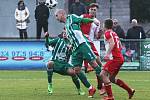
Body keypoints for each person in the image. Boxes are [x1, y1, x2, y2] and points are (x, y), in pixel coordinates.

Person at [55, 9, 102, 98]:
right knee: (76, 70)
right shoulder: (66, 27)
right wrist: (67, 42)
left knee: (94, 64)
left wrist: (93, 21)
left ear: (61, 14)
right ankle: (91, 88)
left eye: (56, 16)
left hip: (82, 44)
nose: (56, 18)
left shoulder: (71, 17)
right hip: (75, 49)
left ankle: (104, 85)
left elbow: (82, 20)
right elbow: (67, 40)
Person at [45, 32, 95, 96]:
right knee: (50, 63)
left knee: (73, 73)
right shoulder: (58, 40)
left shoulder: (72, 43)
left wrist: (71, 50)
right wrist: (46, 37)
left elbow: (74, 54)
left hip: (65, 64)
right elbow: (47, 45)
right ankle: (50, 85)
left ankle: (79, 89)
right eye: (64, 33)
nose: (65, 34)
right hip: (56, 62)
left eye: (66, 33)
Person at [100, 19, 135, 100]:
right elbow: (118, 44)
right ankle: (130, 90)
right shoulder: (114, 33)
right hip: (119, 58)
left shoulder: (107, 33)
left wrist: (108, 54)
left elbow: (112, 43)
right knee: (111, 78)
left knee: (103, 74)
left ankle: (110, 97)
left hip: (114, 58)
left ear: (104, 25)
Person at [80, 3, 105, 95]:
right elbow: (77, 24)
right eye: (92, 9)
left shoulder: (97, 22)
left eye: (95, 10)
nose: (93, 11)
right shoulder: (83, 16)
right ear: (88, 10)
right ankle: (87, 67)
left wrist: (100, 33)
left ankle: (100, 85)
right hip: (82, 42)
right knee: (77, 68)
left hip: (91, 43)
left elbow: (97, 37)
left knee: (99, 63)